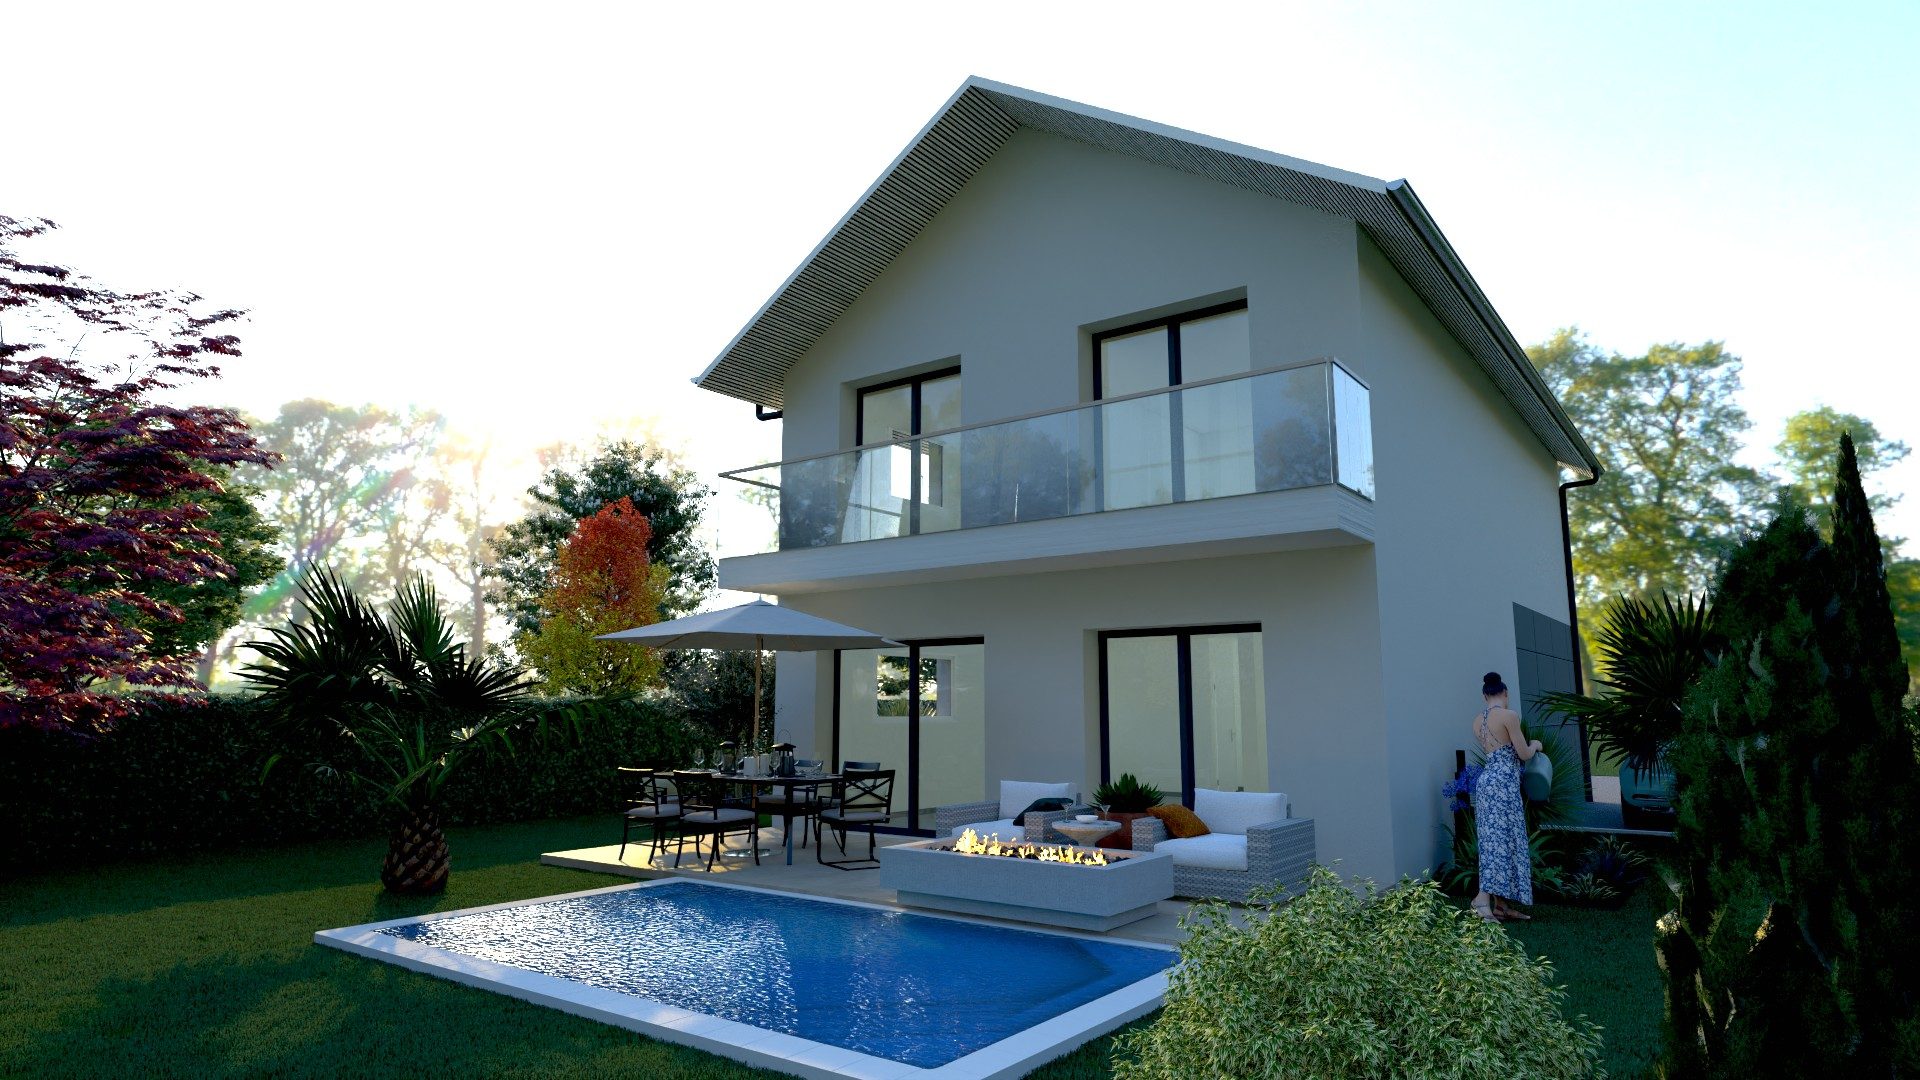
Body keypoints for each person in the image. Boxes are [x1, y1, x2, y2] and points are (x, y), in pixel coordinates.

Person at [1470, 671, 1542, 923]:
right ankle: (1481, 899)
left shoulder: (1477, 721)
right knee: (1504, 841)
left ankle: (1500, 905)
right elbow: (1523, 754)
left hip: (1486, 783)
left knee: (1494, 841)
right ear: (1505, 693)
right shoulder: (1509, 716)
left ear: (1484, 695)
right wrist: (1536, 745)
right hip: (1503, 785)